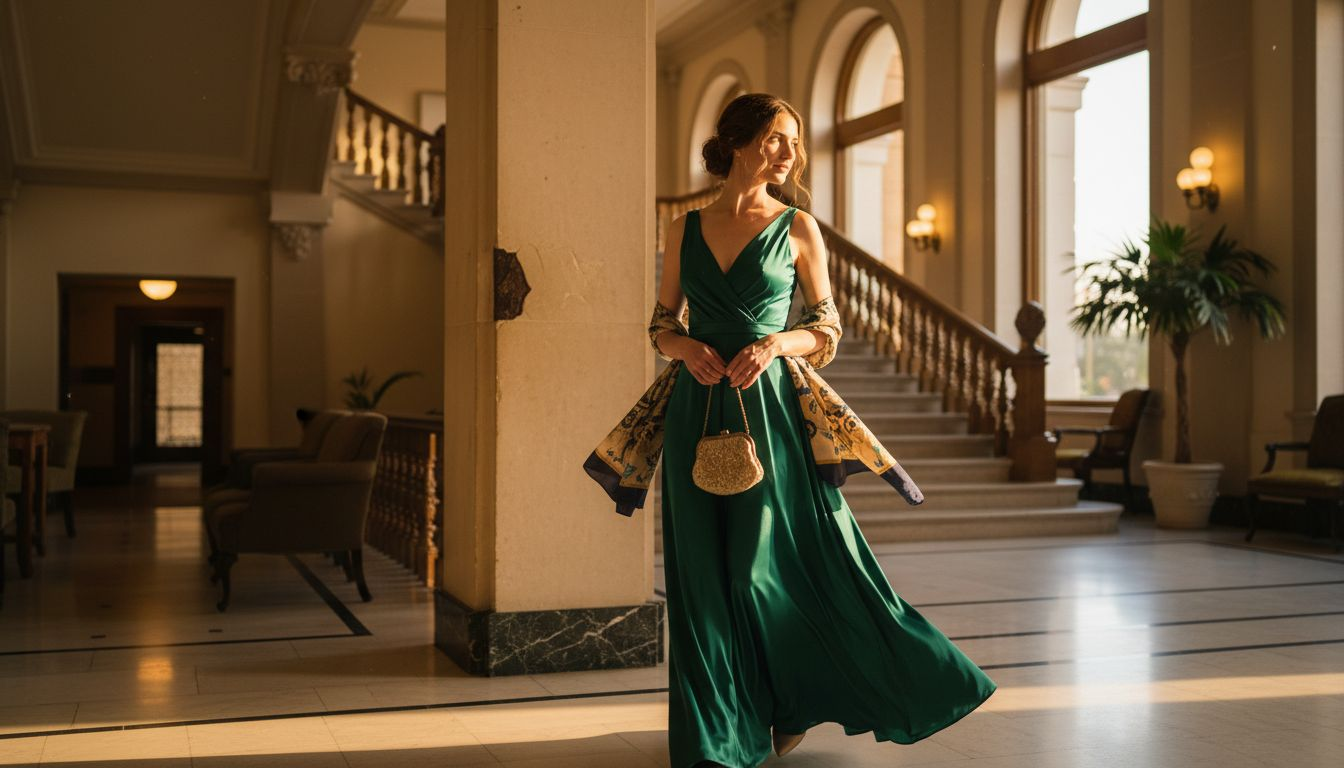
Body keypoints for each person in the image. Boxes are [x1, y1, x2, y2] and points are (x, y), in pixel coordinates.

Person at [646, 93, 998, 768]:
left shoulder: (799, 227)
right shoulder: (682, 229)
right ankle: (716, 738)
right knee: (699, 574)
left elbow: (829, 328)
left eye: (795, 142)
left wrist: (777, 346)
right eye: (778, 138)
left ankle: (787, 702)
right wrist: (683, 348)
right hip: (699, 409)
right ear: (739, 141)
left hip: (772, 411)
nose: (790, 153)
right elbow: (660, 325)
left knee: (759, 567)